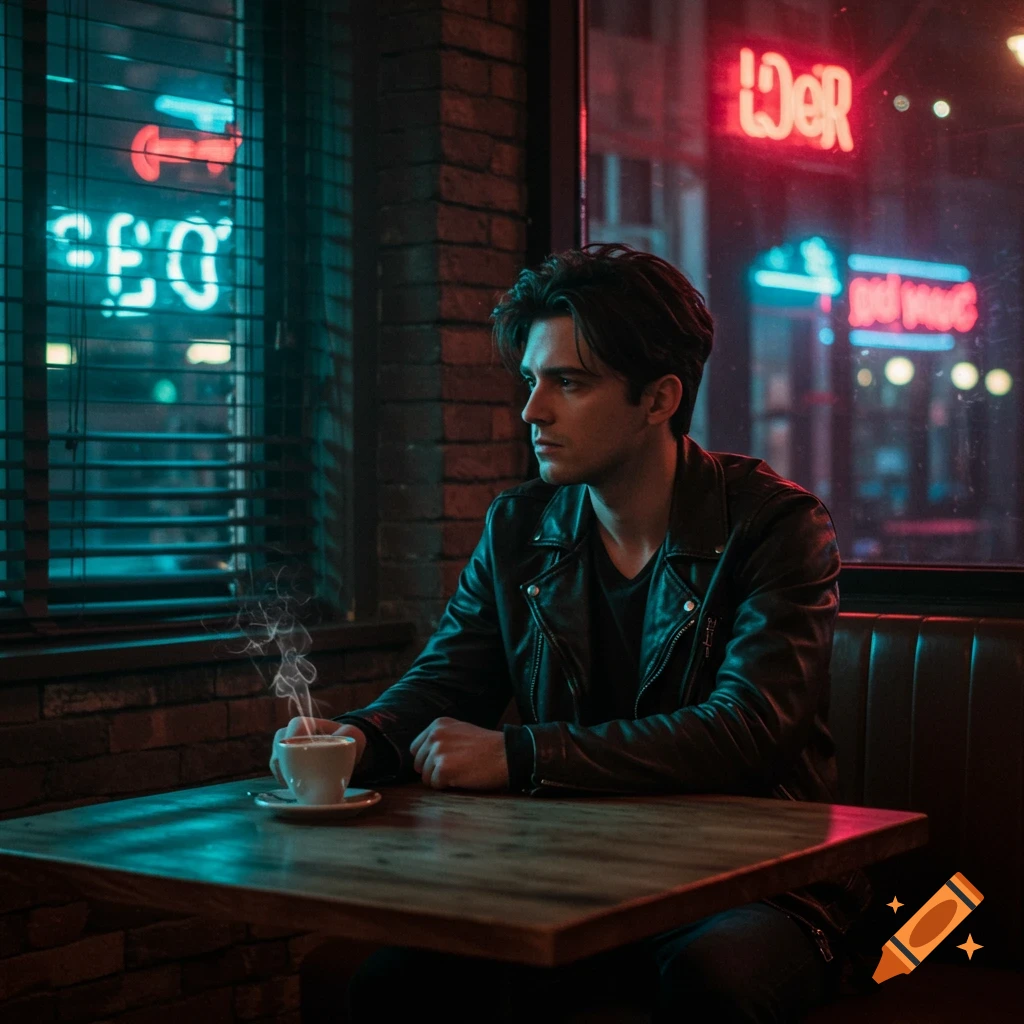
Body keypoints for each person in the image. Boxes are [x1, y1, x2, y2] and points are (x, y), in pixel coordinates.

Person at [271, 243, 873, 1023]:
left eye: (570, 383)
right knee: (388, 981)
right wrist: (355, 740)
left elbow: (748, 729)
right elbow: (451, 677)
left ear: (659, 399)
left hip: (762, 883)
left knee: (710, 980)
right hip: (578, 875)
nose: (533, 411)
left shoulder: (774, 524)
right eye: (532, 380)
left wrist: (520, 753)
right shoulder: (521, 527)